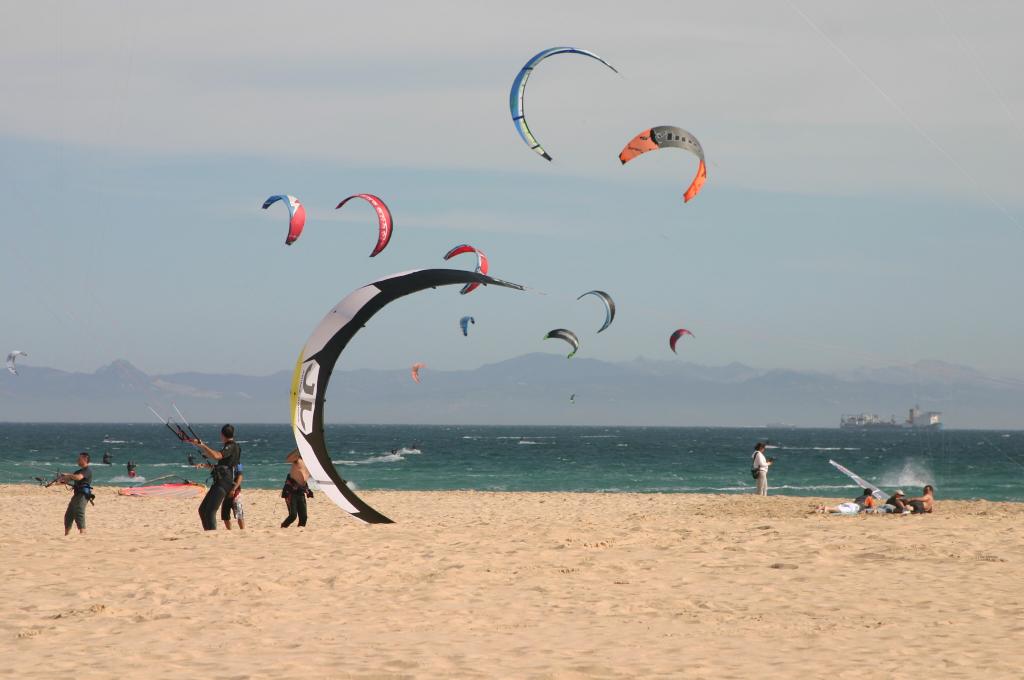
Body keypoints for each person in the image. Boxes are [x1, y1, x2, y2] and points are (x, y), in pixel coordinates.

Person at [188, 424, 241, 531]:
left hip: (224, 483)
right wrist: (205, 463)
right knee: (202, 510)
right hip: (220, 481)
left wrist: (203, 445)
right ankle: (209, 533)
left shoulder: (231, 446)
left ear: (222, 435)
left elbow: (217, 456)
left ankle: (212, 536)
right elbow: (224, 465)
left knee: (210, 511)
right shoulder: (231, 447)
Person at [57, 452, 93, 535]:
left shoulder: (88, 470)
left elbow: (78, 477)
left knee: (79, 512)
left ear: (85, 459)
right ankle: (67, 534)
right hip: (76, 495)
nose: (77, 460)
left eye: (79, 459)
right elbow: (67, 480)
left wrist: (69, 475)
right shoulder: (78, 471)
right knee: (69, 515)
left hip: (83, 495)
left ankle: (83, 533)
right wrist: (61, 479)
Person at [281, 449, 312, 528]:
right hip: (291, 491)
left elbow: (322, 473)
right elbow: (288, 459)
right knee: (293, 515)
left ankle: (300, 533)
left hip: (301, 491)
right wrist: (299, 448)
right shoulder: (297, 459)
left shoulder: (310, 464)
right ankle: (283, 527)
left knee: (304, 517)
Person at [221, 463, 245, 530]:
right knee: (225, 515)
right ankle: (229, 531)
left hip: (235, 493)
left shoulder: (238, 464)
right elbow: (215, 467)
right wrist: (204, 465)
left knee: (239, 515)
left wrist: (233, 489)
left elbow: (240, 476)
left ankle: (242, 531)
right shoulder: (224, 462)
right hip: (226, 493)